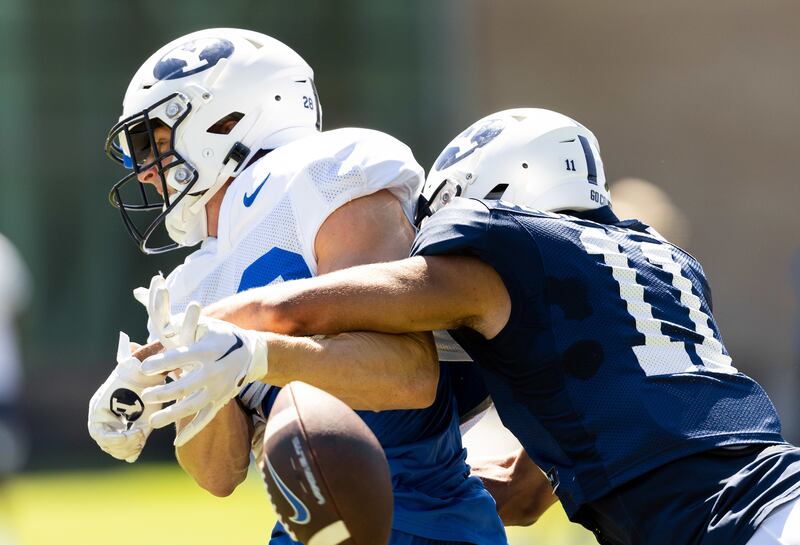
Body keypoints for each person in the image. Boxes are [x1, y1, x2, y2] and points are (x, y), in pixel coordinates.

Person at [153, 108, 800, 544]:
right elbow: (523, 492)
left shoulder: (514, 247)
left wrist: (208, 334)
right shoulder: (665, 264)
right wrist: (400, 488)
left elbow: (310, 307)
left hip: (737, 523)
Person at [86, 28, 508, 545]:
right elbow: (218, 475)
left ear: (225, 118)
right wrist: (170, 380)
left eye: (151, 141)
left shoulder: (326, 172)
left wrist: (254, 354)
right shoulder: (193, 277)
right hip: (308, 529)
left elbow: (410, 376)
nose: (144, 171)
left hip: (424, 524)